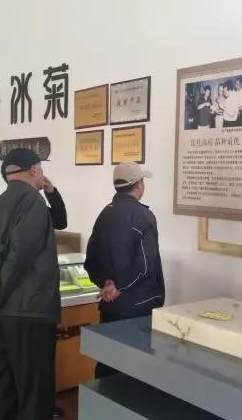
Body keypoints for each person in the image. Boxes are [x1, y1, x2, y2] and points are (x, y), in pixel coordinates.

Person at [0, 148, 61, 420]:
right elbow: (18, 258)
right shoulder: (33, 203)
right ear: (34, 170)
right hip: (30, 310)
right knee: (34, 390)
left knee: (6, 384)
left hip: (3, 314)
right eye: (41, 170)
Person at [85, 162, 165, 378]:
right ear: (138, 185)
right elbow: (145, 265)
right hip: (138, 306)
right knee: (134, 367)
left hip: (111, 305)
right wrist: (118, 286)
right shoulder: (143, 216)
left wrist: (106, 285)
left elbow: (91, 259)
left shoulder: (105, 214)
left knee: (107, 362)